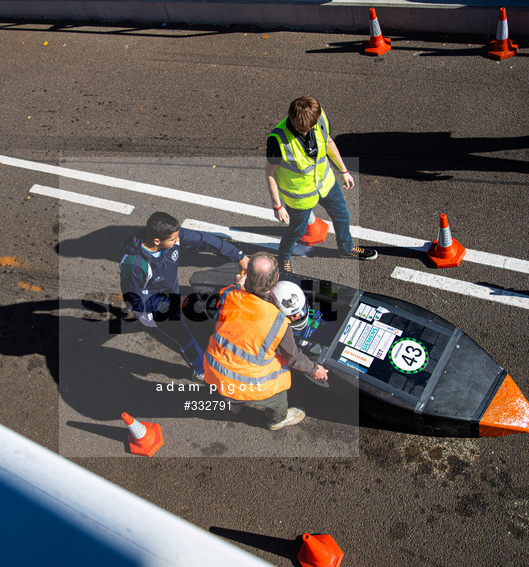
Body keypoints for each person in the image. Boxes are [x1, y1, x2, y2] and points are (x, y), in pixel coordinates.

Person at [120, 211, 250, 383]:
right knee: (186, 339)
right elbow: (134, 299)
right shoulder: (135, 265)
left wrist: (238, 255)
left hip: (171, 296)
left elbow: (203, 239)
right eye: (173, 240)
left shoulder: (171, 237)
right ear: (157, 241)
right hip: (155, 309)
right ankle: (199, 371)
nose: (178, 241)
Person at [204, 253, 328, 430]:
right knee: (279, 389)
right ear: (277, 278)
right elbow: (292, 356)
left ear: (248, 277)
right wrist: (315, 370)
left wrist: (238, 284)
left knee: (232, 390)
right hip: (245, 383)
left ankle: (235, 405)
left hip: (214, 370)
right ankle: (277, 420)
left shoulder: (230, 295)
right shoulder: (278, 322)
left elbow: (229, 293)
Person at [265, 96, 377, 273]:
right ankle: (283, 259)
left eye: (309, 128)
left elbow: (328, 142)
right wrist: (277, 205)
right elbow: (269, 174)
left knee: (342, 215)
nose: (305, 132)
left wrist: (344, 170)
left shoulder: (320, 118)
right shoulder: (277, 140)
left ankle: (346, 248)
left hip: (326, 184)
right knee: (296, 232)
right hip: (300, 196)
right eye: (301, 129)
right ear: (292, 119)